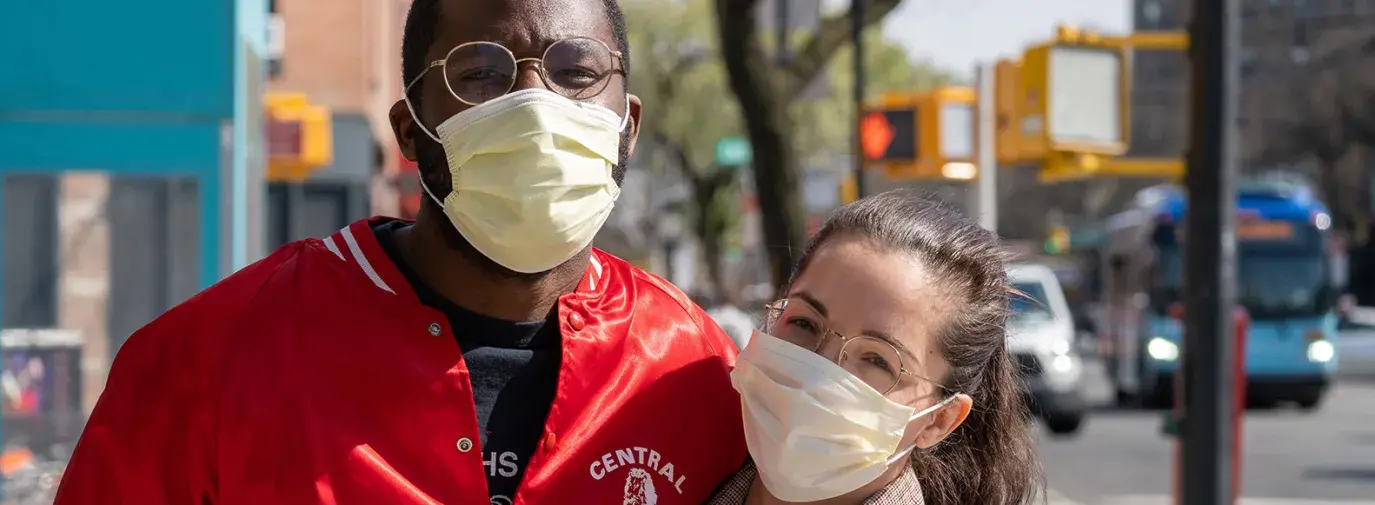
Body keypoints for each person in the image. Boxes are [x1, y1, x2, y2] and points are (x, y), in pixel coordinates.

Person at [54, 0, 747, 502]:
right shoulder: (208, 362)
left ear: (626, 127)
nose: (537, 104)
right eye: (480, 74)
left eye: (577, 71)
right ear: (411, 133)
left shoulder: (697, 368)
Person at [708, 190, 1043, 505]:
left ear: (940, 420)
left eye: (877, 360)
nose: (817, 375)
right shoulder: (673, 465)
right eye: (804, 323)